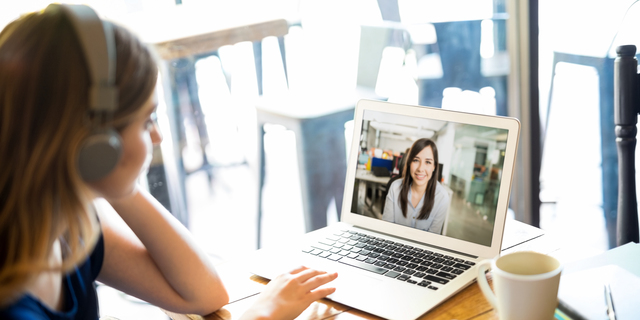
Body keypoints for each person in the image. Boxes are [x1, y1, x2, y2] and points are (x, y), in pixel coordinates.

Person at [0, 4, 337, 319]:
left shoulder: (69, 224)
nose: (158, 137)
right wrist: (259, 314)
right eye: (147, 121)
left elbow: (203, 293)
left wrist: (112, 177)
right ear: (97, 142)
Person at [381, 138, 450, 234]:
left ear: (434, 166)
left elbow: (432, 239)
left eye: (428, 162)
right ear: (409, 162)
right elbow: (386, 229)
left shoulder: (441, 197)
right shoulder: (395, 188)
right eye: (416, 160)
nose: (421, 168)